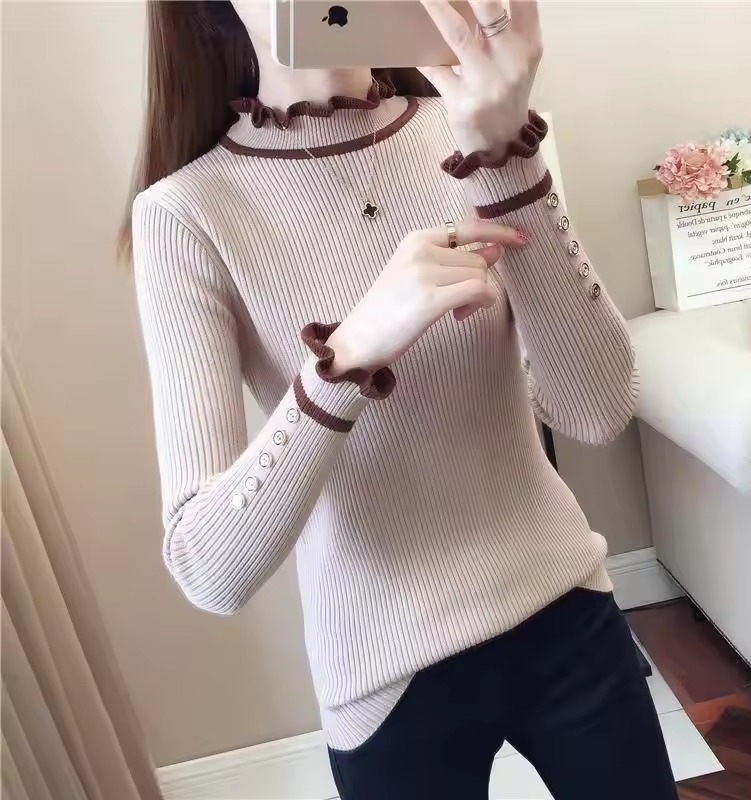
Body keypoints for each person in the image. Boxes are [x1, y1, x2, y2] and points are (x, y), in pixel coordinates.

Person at [124, 1, 678, 798]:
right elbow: (209, 569)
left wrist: (504, 157)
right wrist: (346, 357)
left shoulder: (481, 126)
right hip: (383, 674)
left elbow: (598, 410)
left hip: (565, 607)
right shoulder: (186, 212)